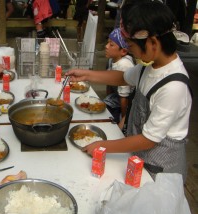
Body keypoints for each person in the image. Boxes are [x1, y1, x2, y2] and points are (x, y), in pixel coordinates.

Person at [66, 0, 192, 182]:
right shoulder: (150, 66)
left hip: (161, 172)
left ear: (153, 43)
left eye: (131, 47)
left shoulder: (173, 87)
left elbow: (149, 139)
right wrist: (86, 74)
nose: (131, 53)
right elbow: (122, 77)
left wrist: (103, 145)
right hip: (139, 159)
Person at [104, 28, 135, 124]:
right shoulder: (112, 59)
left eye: (111, 44)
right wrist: (107, 99)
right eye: (107, 43)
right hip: (116, 97)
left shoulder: (124, 65)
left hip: (127, 103)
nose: (106, 46)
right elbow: (109, 81)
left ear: (123, 51)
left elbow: (124, 98)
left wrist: (124, 120)